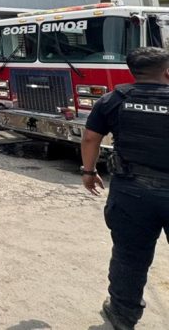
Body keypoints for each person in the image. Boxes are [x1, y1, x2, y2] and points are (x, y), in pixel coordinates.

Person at [81, 47, 169, 329]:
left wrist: (89, 171)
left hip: (131, 191)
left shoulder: (114, 99)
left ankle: (122, 315)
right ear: (167, 71)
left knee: (129, 257)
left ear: (131, 72)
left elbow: (91, 138)